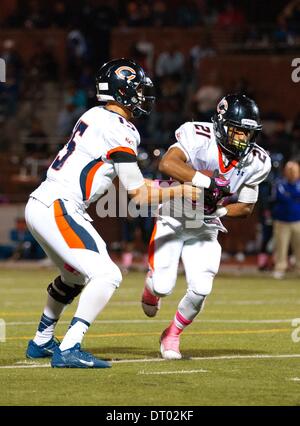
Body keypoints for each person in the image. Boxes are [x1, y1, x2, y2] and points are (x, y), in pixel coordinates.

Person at [25, 58, 198, 368]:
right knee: (108, 274)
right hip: (59, 206)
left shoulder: (95, 115)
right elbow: (138, 194)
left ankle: (41, 341)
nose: (143, 98)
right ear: (123, 92)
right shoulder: (121, 129)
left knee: (73, 276)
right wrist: (180, 190)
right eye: (138, 91)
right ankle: (69, 348)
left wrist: (163, 186)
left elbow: (135, 182)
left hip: (45, 202)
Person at [141, 94, 271, 360]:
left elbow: (246, 207)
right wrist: (206, 182)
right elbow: (167, 163)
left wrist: (219, 209)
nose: (242, 140)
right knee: (163, 285)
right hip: (174, 215)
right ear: (222, 124)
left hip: (206, 224)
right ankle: (151, 289)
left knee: (201, 288)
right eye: (237, 131)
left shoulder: (257, 161)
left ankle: (172, 335)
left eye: (248, 133)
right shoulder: (199, 135)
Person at [272, 160, 300, 279]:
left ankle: (299, 268)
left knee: (299, 247)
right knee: (281, 247)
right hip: (282, 220)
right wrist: (294, 197)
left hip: (298, 220)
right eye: (289, 170)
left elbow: (290, 196)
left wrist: (291, 196)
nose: (291, 173)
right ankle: (280, 268)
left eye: (293, 170)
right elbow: (281, 197)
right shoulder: (280, 184)